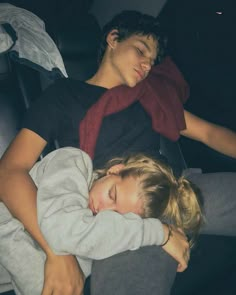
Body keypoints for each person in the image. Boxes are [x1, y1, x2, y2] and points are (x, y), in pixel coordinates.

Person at [0, 9, 236, 295]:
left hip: (174, 186)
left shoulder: (151, 97)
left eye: (152, 61)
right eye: (141, 50)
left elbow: (211, 133)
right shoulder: (64, 96)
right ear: (113, 38)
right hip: (118, 213)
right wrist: (56, 251)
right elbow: (10, 170)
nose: (147, 65)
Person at [0, 146, 203, 295]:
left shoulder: (99, 239)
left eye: (117, 216)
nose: (104, 210)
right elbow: (64, 232)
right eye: (112, 195)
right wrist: (158, 232)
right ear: (114, 170)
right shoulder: (73, 162)